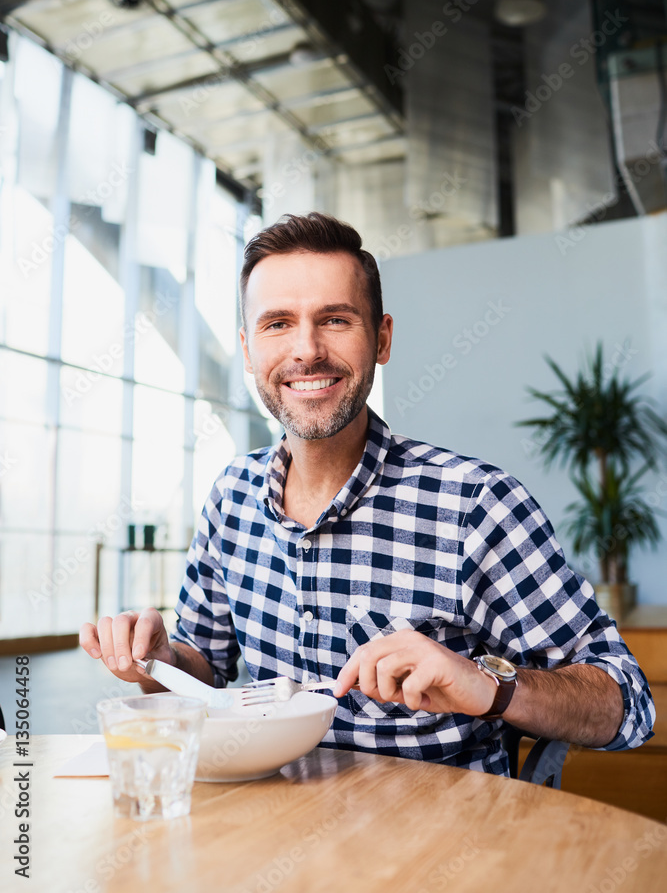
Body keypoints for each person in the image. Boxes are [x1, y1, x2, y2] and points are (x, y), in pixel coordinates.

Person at [80, 212, 655, 774]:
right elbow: (203, 666)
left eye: (334, 319)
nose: (306, 350)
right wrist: (158, 663)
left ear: (380, 339)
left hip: (441, 854)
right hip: (267, 841)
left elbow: (626, 703)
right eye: (277, 323)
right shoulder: (230, 497)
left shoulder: (475, 506)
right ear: (248, 350)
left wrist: (488, 686)